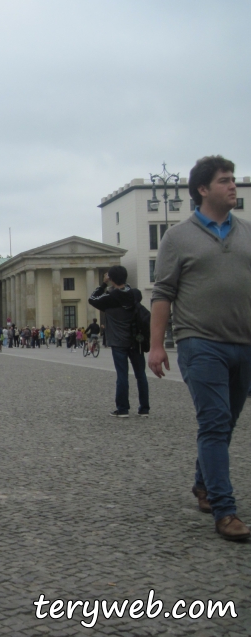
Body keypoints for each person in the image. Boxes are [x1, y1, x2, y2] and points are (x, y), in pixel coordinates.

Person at [149, 155, 251, 541]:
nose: (233, 186)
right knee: (213, 421)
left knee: (225, 423)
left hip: (244, 342)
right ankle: (225, 511)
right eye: (225, 180)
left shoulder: (247, 233)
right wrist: (157, 346)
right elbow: (163, 293)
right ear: (203, 190)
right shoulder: (177, 238)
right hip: (199, 340)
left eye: (234, 179)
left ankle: (203, 484)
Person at [89, 266, 149, 418]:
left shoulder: (109, 298)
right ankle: (144, 409)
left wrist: (103, 284)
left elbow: (92, 298)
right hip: (136, 340)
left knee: (122, 375)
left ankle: (123, 409)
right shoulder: (136, 294)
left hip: (118, 341)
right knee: (140, 374)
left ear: (111, 278)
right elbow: (128, 291)